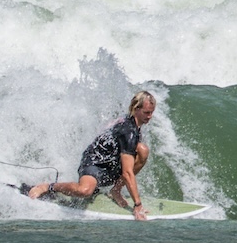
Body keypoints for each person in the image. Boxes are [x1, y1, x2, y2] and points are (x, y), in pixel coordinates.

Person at [25, 91, 157, 221]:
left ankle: (115, 191)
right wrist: (138, 205)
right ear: (136, 109)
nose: (150, 116)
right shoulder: (128, 130)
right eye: (146, 112)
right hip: (94, 162)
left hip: (111, 164)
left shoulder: (132, 123)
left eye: (151, 112)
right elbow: (127, 173)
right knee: (85, 191)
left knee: (143, 150)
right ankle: (48, 186)